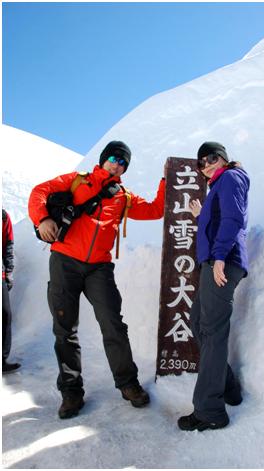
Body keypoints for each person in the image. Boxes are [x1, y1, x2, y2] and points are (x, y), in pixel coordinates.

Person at [28, 141, 165, 419]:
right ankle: (71, 392)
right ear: (103, 159)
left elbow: (154, 210)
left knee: (113, 325)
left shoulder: (123, 197)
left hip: (99, 269)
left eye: (123, 162)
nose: (117, 164)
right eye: (114, 158)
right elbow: (39, 191)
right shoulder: (77, 182)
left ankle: (128, 384)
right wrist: (42, 219)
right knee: (65, 328)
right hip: (65, 261)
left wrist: (166, 178)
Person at [178, 141, 250, 432]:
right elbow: (220, 220)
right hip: (214, 263)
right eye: (201, 163)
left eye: (211, 158)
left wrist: (219, 257)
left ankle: (210, 411)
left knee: (212, 331)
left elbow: (233, 219)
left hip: (223, 263)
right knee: (200, 324)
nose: (205, 165)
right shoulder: (218, 185)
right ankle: (228, 387)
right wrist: (201, 215)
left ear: (223, 158)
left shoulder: (231, 178)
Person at [2, 209, 21, 374]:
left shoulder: (3, 215)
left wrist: (8, 272)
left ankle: (2, 360)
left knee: (5, 314)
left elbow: (8, 244)